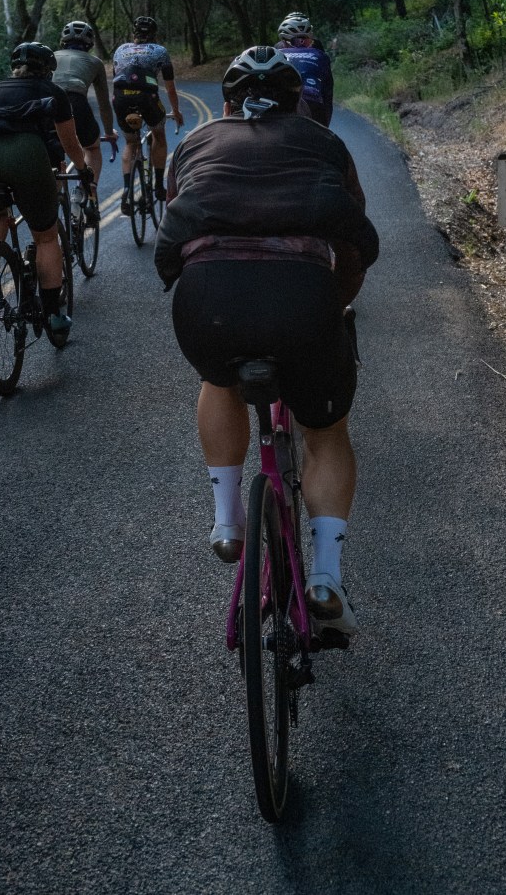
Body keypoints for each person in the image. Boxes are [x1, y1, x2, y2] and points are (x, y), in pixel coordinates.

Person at [154, 46, 379, 635]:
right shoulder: (325, 143)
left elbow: (172, 235)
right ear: (297, 101)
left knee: (217, 379)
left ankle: (227, 521)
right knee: (325, 435)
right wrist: (338, 300)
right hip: (302, 299)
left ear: (227, 103)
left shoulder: (195, 143)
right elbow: (356, 239)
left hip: (209, 304)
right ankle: (326, 576)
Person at [0, 41, 93, 344]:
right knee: (45, 236)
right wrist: (83, 170)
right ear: (48, 70)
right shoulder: (52, 91)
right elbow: (70, 142)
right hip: (25, 157)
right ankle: (53, 314)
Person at [111, 15, 183, 213]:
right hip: (147, 98)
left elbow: (116, 76)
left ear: (133, 33)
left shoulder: (120, 49)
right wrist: (176, 111)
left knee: (130, 143)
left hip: (120, 98)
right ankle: (159, 186)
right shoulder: (160, 51)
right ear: (154, 34)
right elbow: (170, 87)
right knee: (159, 135)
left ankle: (127, 190)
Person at [53, 20, 118, 196]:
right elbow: (104, 104)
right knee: (91, 148)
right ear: (89, 43)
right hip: (76, 103)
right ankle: (86, 191)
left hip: (48, 103)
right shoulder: (95, 62)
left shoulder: (50, 56)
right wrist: (109, 132)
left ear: (63, 40)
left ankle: (53, 198)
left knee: (53, 151)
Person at [276, 12, 335, 126]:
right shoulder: (319, 52)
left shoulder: (277, 50)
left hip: (283, 102)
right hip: (312, 101)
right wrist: (325, 127)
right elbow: (327, 93)